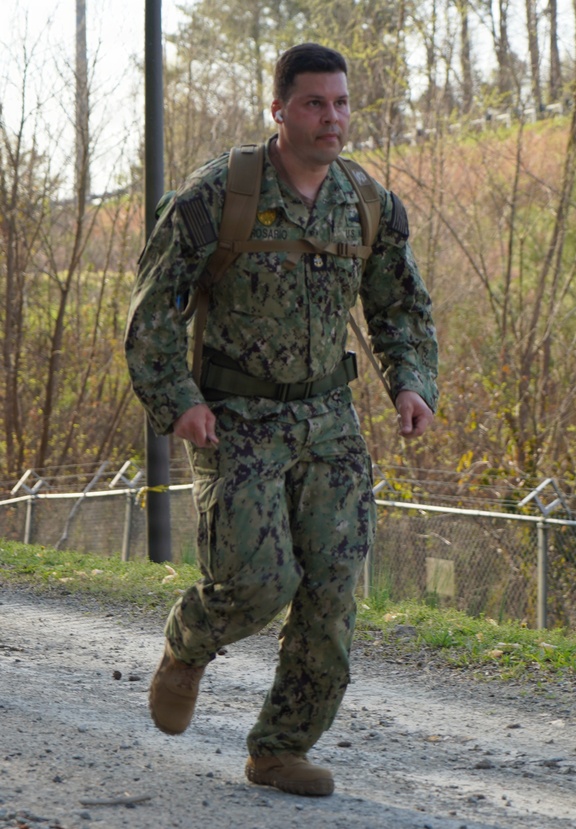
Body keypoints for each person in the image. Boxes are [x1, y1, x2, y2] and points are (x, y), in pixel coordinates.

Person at [124, 42, 438, 797]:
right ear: (279, 110)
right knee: (258, 584)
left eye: (340, 103)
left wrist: (412, 383)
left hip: (330, 421)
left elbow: (400, 306)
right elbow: (153, 314)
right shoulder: (217, 197)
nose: (331, 118)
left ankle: (280, 747)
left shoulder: (364, 201)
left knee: (331, 595)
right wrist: (180, 401)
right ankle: (187, 645)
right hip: (237, 419)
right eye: (313, 104)